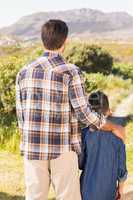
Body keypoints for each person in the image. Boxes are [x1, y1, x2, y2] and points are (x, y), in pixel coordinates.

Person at [16, 19, 125, 200]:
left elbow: (21, 118)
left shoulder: (24, 72)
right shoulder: (71, 72)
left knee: (35, 196)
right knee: (68, 197)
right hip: (63, 147)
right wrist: (113, 126)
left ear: (43, 40)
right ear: (65, 41)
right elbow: (84, 113)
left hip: (32, 146)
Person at [79, 91, 128, 200]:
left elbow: (80, 164)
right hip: (108, 191)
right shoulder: (118, 133)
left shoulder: (85, 133)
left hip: (85, 191)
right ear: (108, 109)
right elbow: (121, 167)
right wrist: (120, 189)